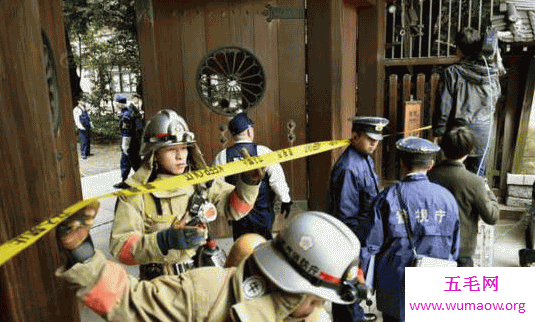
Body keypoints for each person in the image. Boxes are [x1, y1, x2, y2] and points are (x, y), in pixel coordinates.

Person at [56, 207, 367, 321]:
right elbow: (130, 304)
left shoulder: (314, 317)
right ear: (286, 283)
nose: (317, 308)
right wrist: (84, 254)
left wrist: (247, 182)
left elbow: (231, 203)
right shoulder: (205, 291)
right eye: (314, 299)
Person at [109, 109, 263, 280]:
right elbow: (120, 248)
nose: (180, 156)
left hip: (201, 278)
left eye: (184, 148)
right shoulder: (136, 192)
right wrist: (162, 241)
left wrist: (249, 183)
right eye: (171, 149)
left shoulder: (200, 181)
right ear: (154, 153)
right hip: (160, 287)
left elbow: (236, 209)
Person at [360, 137, 460, 322]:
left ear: (402, 163)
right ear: (431, 165)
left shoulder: (387, 198)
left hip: (394, 283)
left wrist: (367, 284)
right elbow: (454, 248)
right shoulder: (447, 199)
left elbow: (371, 246)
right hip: (433, 280)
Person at [327, 116, 389, 322]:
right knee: (348, 290)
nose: (374, 143)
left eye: (377, 139)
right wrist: (361, 246)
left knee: (352, 289)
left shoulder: (365, 159)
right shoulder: (349, 168)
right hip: (351, 238)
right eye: (370, 138)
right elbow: (346, 216)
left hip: (362, 235)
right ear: (354, 136)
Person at [432, 27, 501, 176]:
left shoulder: (452, 73)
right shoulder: (492, 73)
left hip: (459, 133)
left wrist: (439, 131)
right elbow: (495, 98)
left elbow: (444, 105)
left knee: (453, 175)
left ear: (460, 48)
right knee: (477, 178)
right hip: (484, 132)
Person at [213, 112, 293, 241]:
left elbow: (216, 185)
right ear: (249, 131)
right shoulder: (263, 152)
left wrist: (225, 210)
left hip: (238, 212)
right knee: (263, 245)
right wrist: (285, 199)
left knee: (241, 245)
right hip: (262, 211)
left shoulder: (222, 156)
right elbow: (277, 180)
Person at [428, 126, 499, 267]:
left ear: (442, 148)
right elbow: (492, 216)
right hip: (462, 251)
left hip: (432, 248)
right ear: (469, 152)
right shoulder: (475, 182)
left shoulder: (430, 176)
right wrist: (488, 192)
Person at [114, 94, 144, 189]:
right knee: (133, 161)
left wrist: (125, 146)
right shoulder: (131, 109)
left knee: (131, 162)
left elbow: (127, 133)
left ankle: (138, 181)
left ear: (119, 105)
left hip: (131, 143)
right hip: (136, 141)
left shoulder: (126, 115)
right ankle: (132, 180)